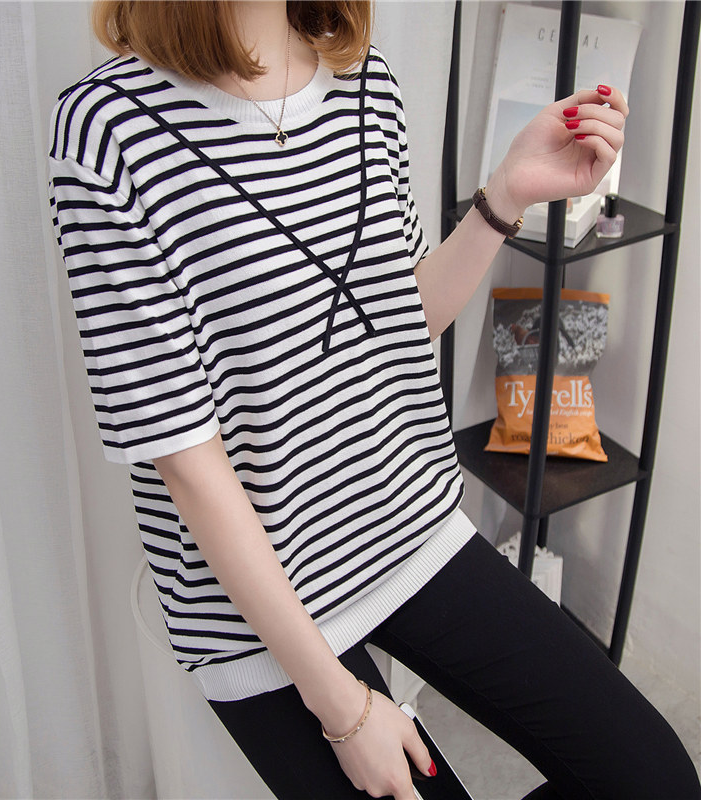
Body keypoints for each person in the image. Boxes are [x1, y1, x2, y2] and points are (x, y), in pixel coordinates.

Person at [47, 2, 700, 798]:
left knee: (655, 778)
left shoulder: (364, 82)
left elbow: (397, 320)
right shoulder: (108, 132)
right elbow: (187, 461)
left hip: (407, 526)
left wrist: (505, 194)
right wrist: (344, 709)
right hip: (260, 609)